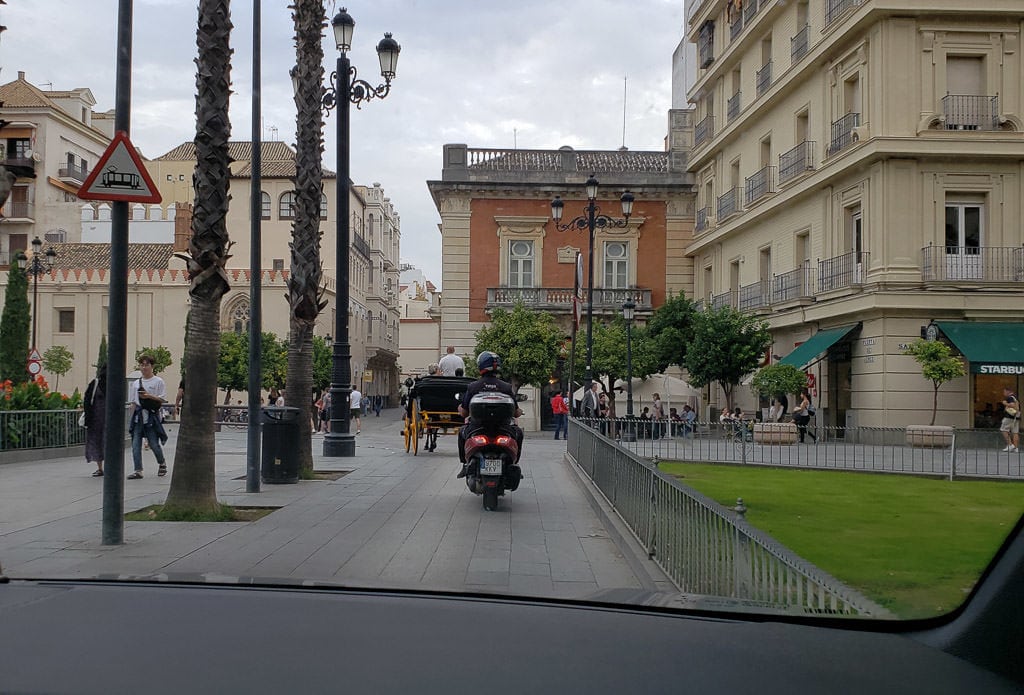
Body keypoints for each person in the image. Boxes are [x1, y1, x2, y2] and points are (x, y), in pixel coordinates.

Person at [456, 351, 523, 477]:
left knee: (461, 432)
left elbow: (464, 413)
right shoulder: (506, 387)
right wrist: (520, 411)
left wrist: (459, 408)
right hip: (503, 429)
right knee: (519, 433)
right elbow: (516, 412)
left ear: (480, 366)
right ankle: (515, 463)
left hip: (477, 428)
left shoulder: (473, 387)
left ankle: (464, 464)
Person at [127, 354, 168, 479]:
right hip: (138, 417)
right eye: (142, 365)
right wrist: (131, 418)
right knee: (135, 444)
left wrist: (148, 396)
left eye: (147, 365)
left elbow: (162, 399)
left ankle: (162, 463)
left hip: (151, 416)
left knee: (154, 444)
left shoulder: (158, 381)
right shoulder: (135, 384)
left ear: (152, 366)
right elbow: (133, 402)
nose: (144, 367)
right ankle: (138, 470)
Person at [83, 364, 108, 477]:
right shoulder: (98, 384)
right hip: (99, 419)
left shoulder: (96, 384)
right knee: (101, 442)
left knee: (99, 442)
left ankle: (100, 468)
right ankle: (102, 467)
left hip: (96, 419)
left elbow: (87, 400)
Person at [1000, 386, 1020, 453]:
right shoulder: (1015, 397)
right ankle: (1016, 448)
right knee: (1015, 432)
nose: (1004, 393)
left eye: (1004, 392)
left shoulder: (1010, 397)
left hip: (1009, 416)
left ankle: (1010, 445)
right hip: (1016, 416)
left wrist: (1005, 403)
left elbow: (1012, 405)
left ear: (1008, 391)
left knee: (1003, 429)